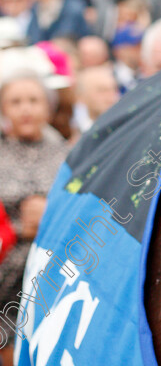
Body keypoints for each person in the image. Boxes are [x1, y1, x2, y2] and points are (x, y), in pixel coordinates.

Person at [0, 71, 68, 364]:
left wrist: (50, 217)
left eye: (33, 100)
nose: (25, 109)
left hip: (50, 275)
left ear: (49, 107)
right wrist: (20, 227)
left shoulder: (66, 154)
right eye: (15, 101)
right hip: (6, 276)